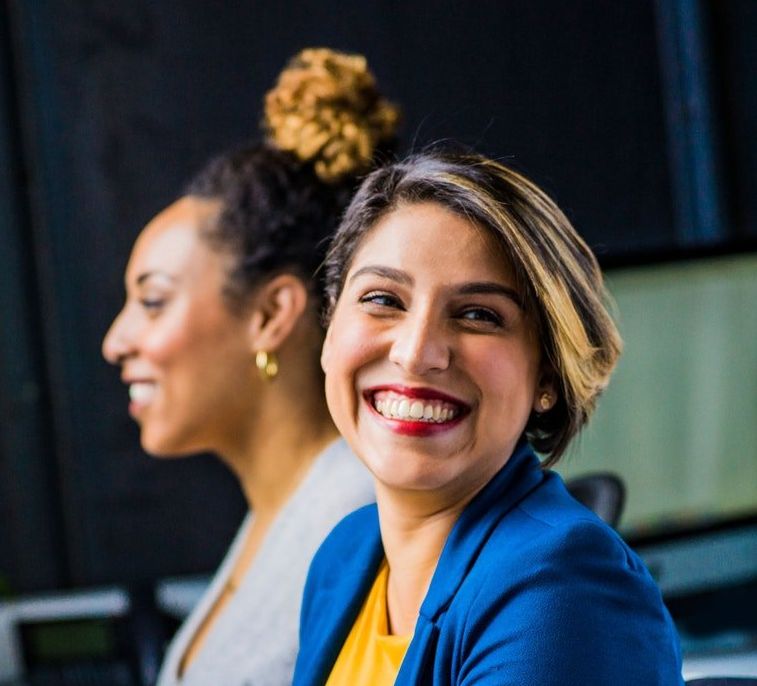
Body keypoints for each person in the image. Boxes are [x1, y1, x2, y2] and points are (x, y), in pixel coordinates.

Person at [293, 151, 683, 686]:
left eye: (478, 315)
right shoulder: (344, 559)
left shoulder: (561, 588)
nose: (417, 352)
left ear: (547, 375)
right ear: (331, 330)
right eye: (383, 299)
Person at [100, 48, 398, 686]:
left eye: (152, 302)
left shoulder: (355, 526)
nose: (116, 341)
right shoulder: (282, 510)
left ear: (271, 314)